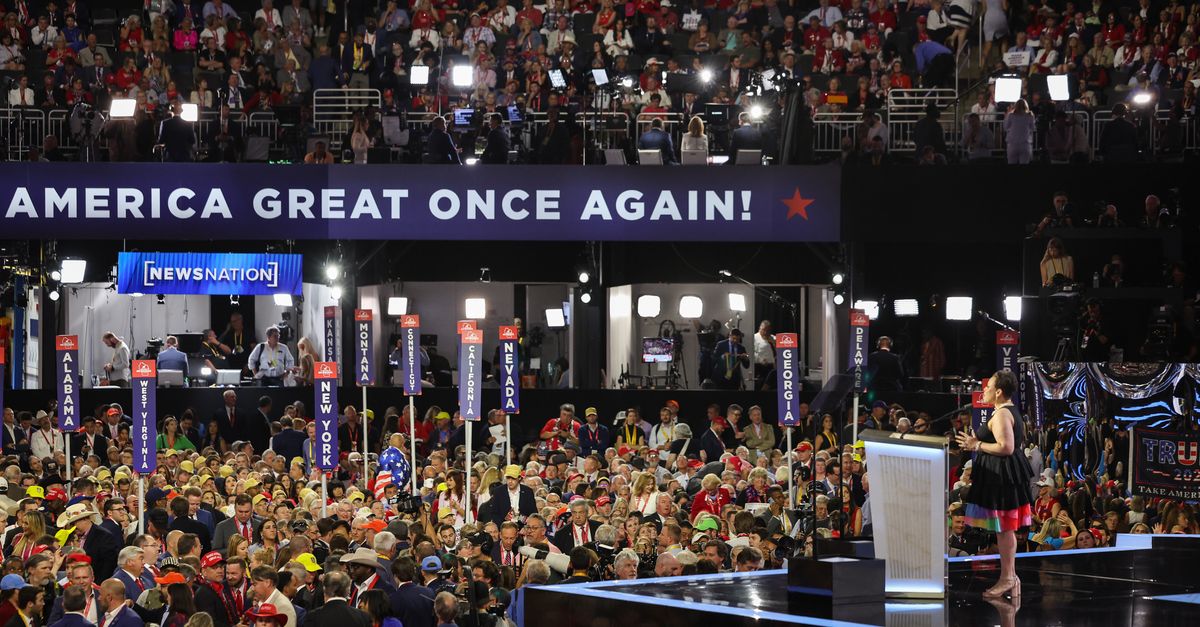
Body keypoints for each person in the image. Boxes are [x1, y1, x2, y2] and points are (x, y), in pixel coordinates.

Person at [956, 370, 1033, 600]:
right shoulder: (1006, 411)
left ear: (999, 392)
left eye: (989, 387)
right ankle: (1011, 577)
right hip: (1004, 474)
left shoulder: (1000, 415)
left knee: (1004, 528)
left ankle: (1008, 577)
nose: (985, 390)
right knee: (1004, 528)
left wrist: (976, 445)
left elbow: (1006, 447)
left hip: (1002, 476)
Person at [1003, 99, 1035, 164]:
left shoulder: (1011, 116)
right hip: (1025, 144)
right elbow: (1033, 128)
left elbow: (1005, 127)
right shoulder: (1030, 116)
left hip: (1012, 144)